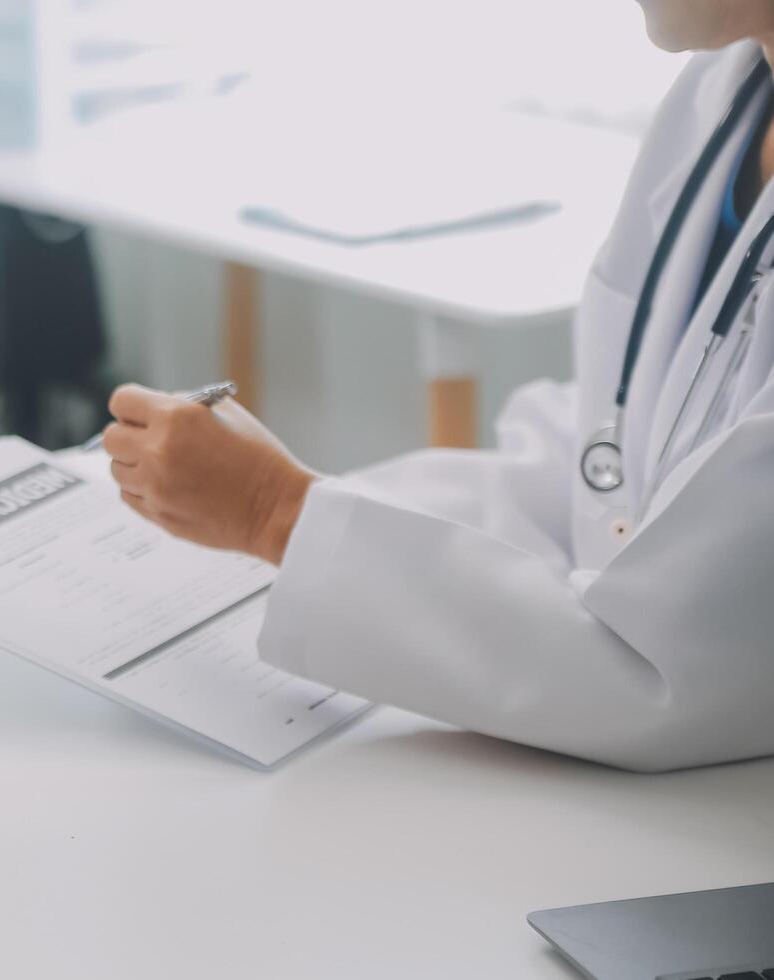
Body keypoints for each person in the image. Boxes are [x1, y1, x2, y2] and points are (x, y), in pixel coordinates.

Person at [102, 0, 774, 774]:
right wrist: (302, 506)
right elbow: (608, 464)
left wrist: (277, 514)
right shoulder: (718, 94)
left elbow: (677, 674)